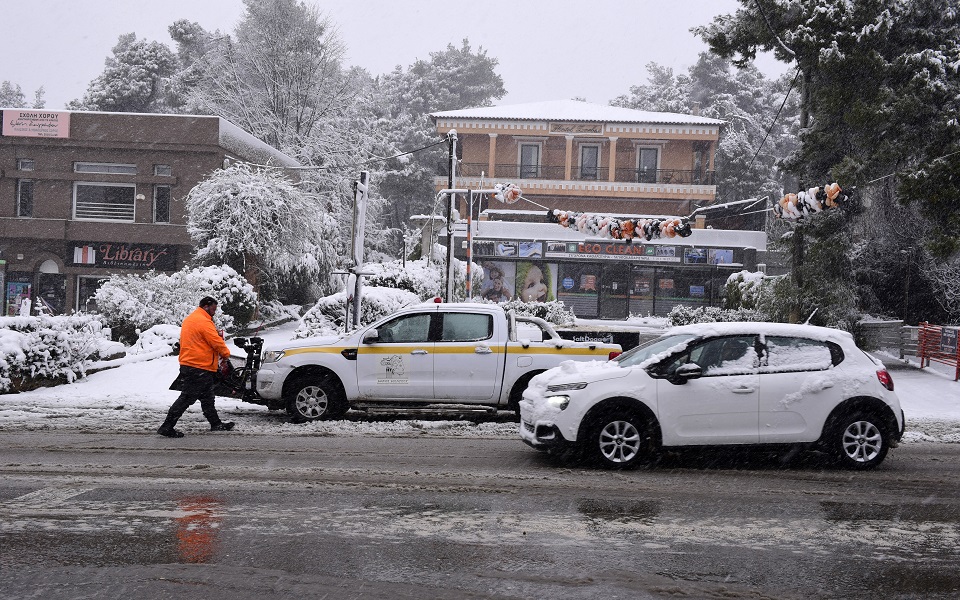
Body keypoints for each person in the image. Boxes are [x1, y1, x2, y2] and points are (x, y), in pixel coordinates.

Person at [158, 296, 235, 437]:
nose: (214, 312)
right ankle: (167, 426)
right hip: (198, 366)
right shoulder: (203, 321)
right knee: (187, 397)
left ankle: (216, 424)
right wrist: (225, 354)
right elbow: (215, 341)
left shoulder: (191, 319)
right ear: (206, 306)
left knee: (207, 397)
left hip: (193, 365)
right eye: (213, 309)